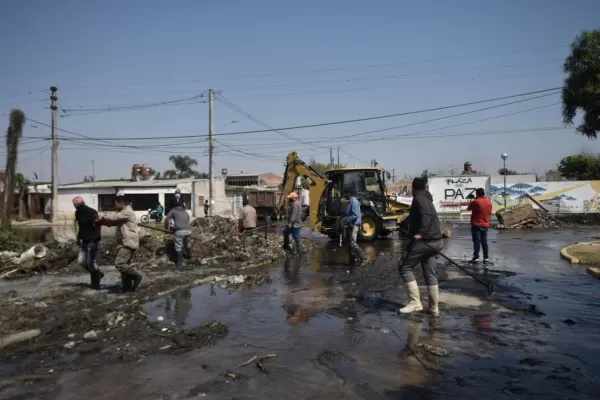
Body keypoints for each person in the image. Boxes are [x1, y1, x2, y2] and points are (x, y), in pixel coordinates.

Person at [398, 177, 444, 317]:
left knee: (404, 267)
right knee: (430, 273)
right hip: (435, 241)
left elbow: (426, 215)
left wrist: (421, 234)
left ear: (413, 188)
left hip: (426, 241)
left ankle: (415, 303)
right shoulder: (427, 198)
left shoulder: (419, 198)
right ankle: (434, 308)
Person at [95, 195, 143, 292]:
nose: (115, 205)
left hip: (128, 242)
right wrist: (105, 223)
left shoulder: (127, 212)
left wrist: (102, 218)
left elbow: (115, 217)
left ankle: (137, 277)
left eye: (116, 203)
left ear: (121, 203)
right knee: (125, 266)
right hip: (124, 241)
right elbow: (115, 222)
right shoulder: (122, 213)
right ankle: (127, 287)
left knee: (120, 264)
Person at [73, 196, 103, 289]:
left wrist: (95, 240)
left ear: (83, 203)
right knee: (81, 261)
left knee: (91, 263)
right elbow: (80, 227)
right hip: (84, 240)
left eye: (79, 205)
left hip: (92, 240)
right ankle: (98, 274)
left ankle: (96, 284)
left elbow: (98, 227)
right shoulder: (77, 213)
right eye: (76, 205)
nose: (77, 207)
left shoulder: (92, 212)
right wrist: (78, 238)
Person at [467, 188, 493, 264]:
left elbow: (468, 209)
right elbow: (490, 213)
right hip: (485, 224)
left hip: (476, 224)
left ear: (477, 194)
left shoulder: (475, 202)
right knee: (484, 241)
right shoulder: (488, 202)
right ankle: (486, 258)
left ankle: (476, 258)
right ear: (484, 193)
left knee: (476, 241)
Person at [165, 200, 192, 267]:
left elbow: (167, 219)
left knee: (178, 246)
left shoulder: (173, 211)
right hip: (188, 230)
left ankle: (180, 261)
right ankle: (189, 256)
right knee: (187, 244)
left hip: (179, 230)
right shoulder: (185, 212)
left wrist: (166, 227)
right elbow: (188, 218)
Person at [343, 189, 366, 266]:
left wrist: (347, 219)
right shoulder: (351, 201)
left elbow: (355, 215)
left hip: (354, 225)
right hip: (351, 225)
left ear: (349, 193)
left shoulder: (354, 202)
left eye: (345, 194)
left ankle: (363, 258)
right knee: (350, 243)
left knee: (352, 243)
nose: (344, 196)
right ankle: (351, 262)